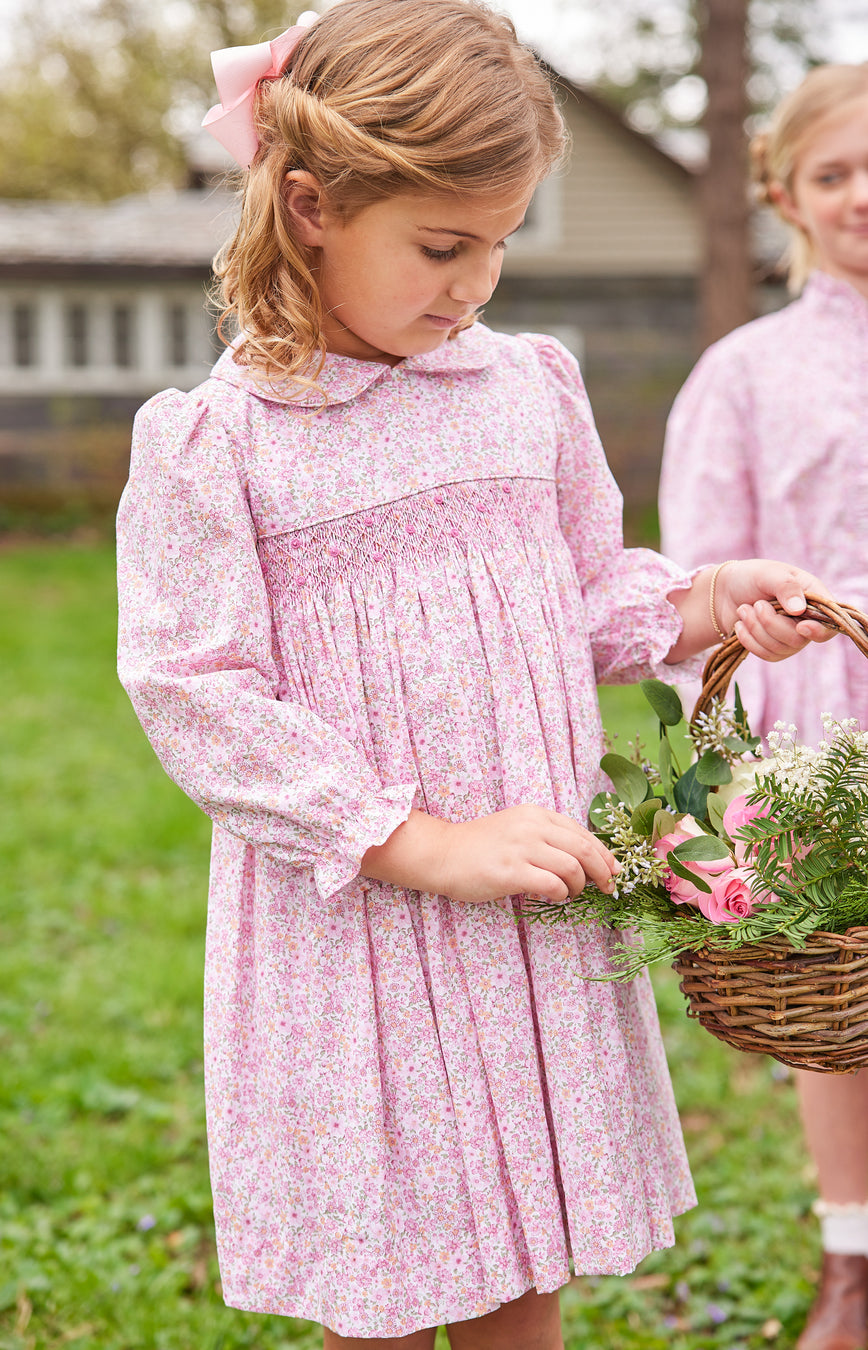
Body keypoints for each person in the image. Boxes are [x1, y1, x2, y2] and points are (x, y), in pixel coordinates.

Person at [116, 5, 835, 1346]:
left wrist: (703, 599)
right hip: (362, 934)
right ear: (314, 204)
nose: (478, 283)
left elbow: (581, 593)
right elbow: (196, 690)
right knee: (386, 1271)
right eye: (444, 245)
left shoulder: (525, 391)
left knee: (522, 1262)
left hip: (524, 910)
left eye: (502, 241)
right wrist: (417, 839)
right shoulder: (219, 443)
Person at [659, 62, 868, 1350]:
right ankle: (855, 1255)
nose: (865, 197)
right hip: (829, 721)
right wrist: (747, 631)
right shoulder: (746, 372)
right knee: (847, 1008)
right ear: (785, 193)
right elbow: (696, 578)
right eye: (836, 173)